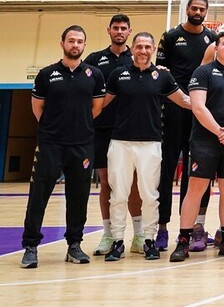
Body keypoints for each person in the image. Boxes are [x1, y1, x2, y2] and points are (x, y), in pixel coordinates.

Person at [20, 26, 106, 269]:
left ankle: (74, 245)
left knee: (78, 196)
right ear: (62, 44)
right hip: (50, 144)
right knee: (39, 196)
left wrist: (78, 127)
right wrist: (54, 129)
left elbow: (96, 108)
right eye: (71, 41)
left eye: (79, 41)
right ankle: (30, 246)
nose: (75, 45)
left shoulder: (94, 74)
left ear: (84, 45)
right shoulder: (46, 74)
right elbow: (38, 109)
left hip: (82, 145)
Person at [168, 30, 224, 262]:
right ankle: (183, 241)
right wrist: (220, 132)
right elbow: (198, 107)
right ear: (215, 48)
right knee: (196, 189)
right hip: (206, 140)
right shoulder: (203, 72)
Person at [102, 33, 190, 261]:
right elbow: (99, 104)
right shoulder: (117, 75)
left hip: (150, 145)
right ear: (132, 48)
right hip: (120, 143)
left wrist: (213, 105)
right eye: (139, 46)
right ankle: (117, 241)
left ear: (153, 50)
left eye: (147, 46)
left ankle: (149, 240)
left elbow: (187, 102)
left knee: (150, 196)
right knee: (118, 195)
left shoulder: (163, 77)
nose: (143, 50)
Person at [155, 0, 218, 251]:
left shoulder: (212, 40)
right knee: (167, 169)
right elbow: (160, 71)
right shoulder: (170, 36)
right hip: (173, 110)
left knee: (198, 173)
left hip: (200, 112)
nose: (198, 12)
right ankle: (161, 228)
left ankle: (194, 227)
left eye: (202, 9)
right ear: (187, 9)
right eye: (194, 8)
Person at [84, 16, 141, 257]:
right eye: (115, 28)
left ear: (130, 32)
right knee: (106, 182)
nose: (119, 31)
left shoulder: (137, 58)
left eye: (123, 28)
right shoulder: (95, 60)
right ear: (109, 30)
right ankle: (108, 234)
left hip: (131, 130)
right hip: (103, 130)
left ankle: (139, 235)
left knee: (135, 184)